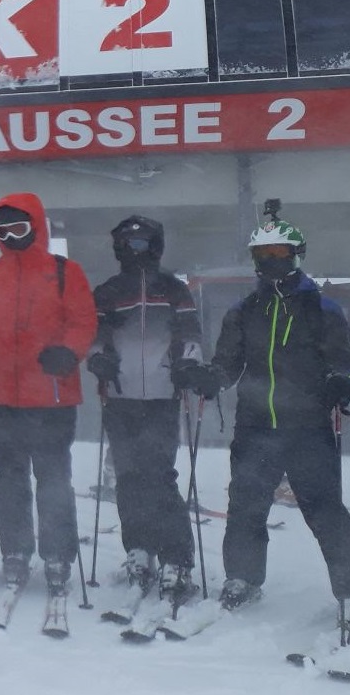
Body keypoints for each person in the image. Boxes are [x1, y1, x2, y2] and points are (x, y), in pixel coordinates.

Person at [185, 219, 350, 619]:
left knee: (325, 510)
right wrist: (212, 378)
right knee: (245, 506)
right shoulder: (244, 311)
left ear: (296, 255)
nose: (272, 261)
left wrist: (342, 382)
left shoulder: (321, 308)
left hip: (308, 428)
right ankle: (243, 578)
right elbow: (228, 363)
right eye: (263, 254)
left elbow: (345, 361)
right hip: (256, 426)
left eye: (279, 253)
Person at [0, 192, 98, 596]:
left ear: (36, 226)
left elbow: (83, 321)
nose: (12, 237)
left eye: (19, 228)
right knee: (9, 479)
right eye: (3, 232)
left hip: (51, 396)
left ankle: (58, 553)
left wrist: (68, 351)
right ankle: (15, 550)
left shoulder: (65, 272)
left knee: (53, 478)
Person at [86, 215, 201, 601]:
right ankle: (138, 548)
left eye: (141, 243)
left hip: (162, 396)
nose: (133, 251)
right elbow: (94, 336)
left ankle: (177, 558)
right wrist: (97, 359)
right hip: (120, 396)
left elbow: (191, 334)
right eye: (126, 244)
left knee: (159, 476)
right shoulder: (108, 291)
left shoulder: (174, 290)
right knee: (129, 477)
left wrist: (188, 364)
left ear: (156, 246)